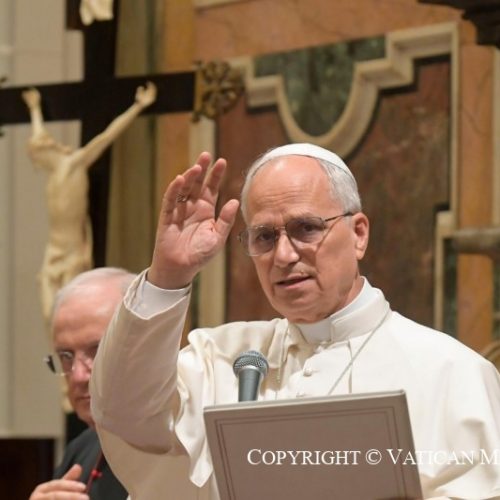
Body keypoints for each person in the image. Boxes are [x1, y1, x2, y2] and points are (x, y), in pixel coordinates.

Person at [90, 144, 500, 499]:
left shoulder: (452, 372)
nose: (284, 256)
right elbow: (125, 417)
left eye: (306, 228)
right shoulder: (221, 359)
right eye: (265, 237)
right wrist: (168, 276)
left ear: (358, 234)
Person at [22, 82, 156, 326]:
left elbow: (107, 136)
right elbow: (38, 136)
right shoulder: (54, 173)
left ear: (48, 152)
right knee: (48, 310)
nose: (37, 162)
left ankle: (77, 345)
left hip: (73, 251)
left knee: (70, 311)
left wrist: (138, 106)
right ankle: (60, 347)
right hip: (54, 249)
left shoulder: (76, 163)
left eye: (38, 156)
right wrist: (35, 108)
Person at [30, 267, 135, 500]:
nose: (78, 376)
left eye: (97, 350)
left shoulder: (186, 445)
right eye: (66, 356)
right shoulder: (82, 449)